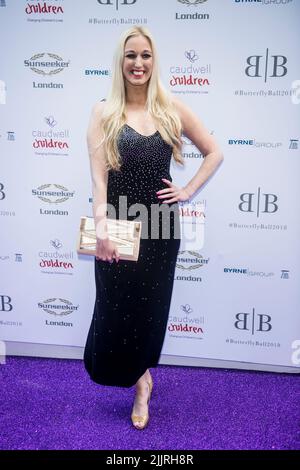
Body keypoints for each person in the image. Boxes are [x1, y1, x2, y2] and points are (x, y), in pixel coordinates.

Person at [83, 26, 223, 430]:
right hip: (119, 223)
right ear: (120, 61)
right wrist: (101, 227)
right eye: (131, 55)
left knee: (149, 312)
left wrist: (188, 190)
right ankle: (137, 374)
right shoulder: (102, 112)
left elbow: (215, 152)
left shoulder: (171, 108)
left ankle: (143, 383)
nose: (138, 63)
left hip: (161, 226)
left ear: (154, 60)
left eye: (145, 55)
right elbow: (97, 180)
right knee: (114, 309)